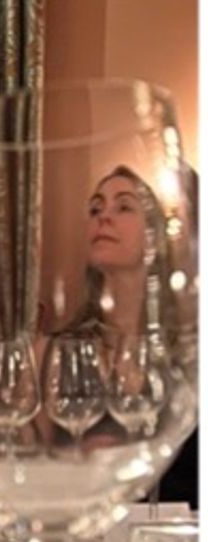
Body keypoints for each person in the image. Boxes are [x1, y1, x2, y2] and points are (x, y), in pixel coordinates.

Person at [46, 166, 198, 506]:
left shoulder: (191, 351)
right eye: (95, 209)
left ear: (154, 237)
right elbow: (36, 471)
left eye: (124, 207)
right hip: (93, 531)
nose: (104, 217)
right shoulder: (60, 352)